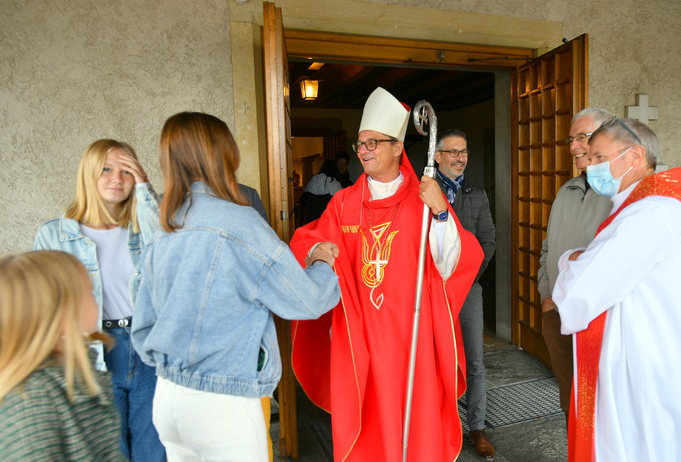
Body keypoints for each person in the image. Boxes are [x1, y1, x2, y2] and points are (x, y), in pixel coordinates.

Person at [130, 112, 341, 461]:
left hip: (167, 398)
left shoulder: (165, 225)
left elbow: (143, 325)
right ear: (225, 154)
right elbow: (305, 301)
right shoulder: (239, 221)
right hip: (222, 402)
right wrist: (322, 264)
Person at [290, 87, 484, 461]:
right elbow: (308, 240)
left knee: (416, 420)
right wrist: (316, 251)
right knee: (369, 420)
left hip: (414, 332)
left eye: (373, 143)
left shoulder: (424, 197)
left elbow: (455, 261)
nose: (362, 150)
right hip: (360, 331)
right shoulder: (343, 202)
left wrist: (442, 214)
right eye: (360, 143)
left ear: (397, 148)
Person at [552, 117, 681, 461]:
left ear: (635, 156)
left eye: (600, 158)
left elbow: (582, 290)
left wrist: (569, 258)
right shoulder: (643, 209)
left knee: (649, 442)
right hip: (649, 349)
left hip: (650, 361)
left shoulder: (650, 213)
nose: (591, 165)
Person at [33, 139, 164, 461]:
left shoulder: (145, 230)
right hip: (92, 350)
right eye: (106, 169)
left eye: (127, 171)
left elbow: (170, 246)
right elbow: (44, 306)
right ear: (88, 174)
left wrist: (147, 189)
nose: (116, 178)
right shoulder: (54, 235)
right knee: (108, 450)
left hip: (148, 346)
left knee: (154, 449)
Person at [0, 250, 124, 461]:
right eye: (89, 293)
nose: (96, 299)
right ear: (60, 313)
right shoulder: (33, 399)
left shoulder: (78, 371)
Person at [537, 108, 613, 421]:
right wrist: (545, 293)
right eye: (572, 138)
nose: (573, 146)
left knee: (601, 407)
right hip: (556, 313)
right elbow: (548, 246)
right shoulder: (566, 190)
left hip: (595, 320)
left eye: (582, 137)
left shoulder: (619, 194)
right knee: (570, 403)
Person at [432, 129, 496, 459]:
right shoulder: (422, 192)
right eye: (453, 152)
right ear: (437, 156)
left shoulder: (477, 194)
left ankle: (477, 427)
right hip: (432, 292)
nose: (460, 157)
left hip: (468, 289)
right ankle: (439, 425)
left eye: (465, 151)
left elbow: (488, 241)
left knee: (474, 360)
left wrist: (467, 275)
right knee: (435, 359)